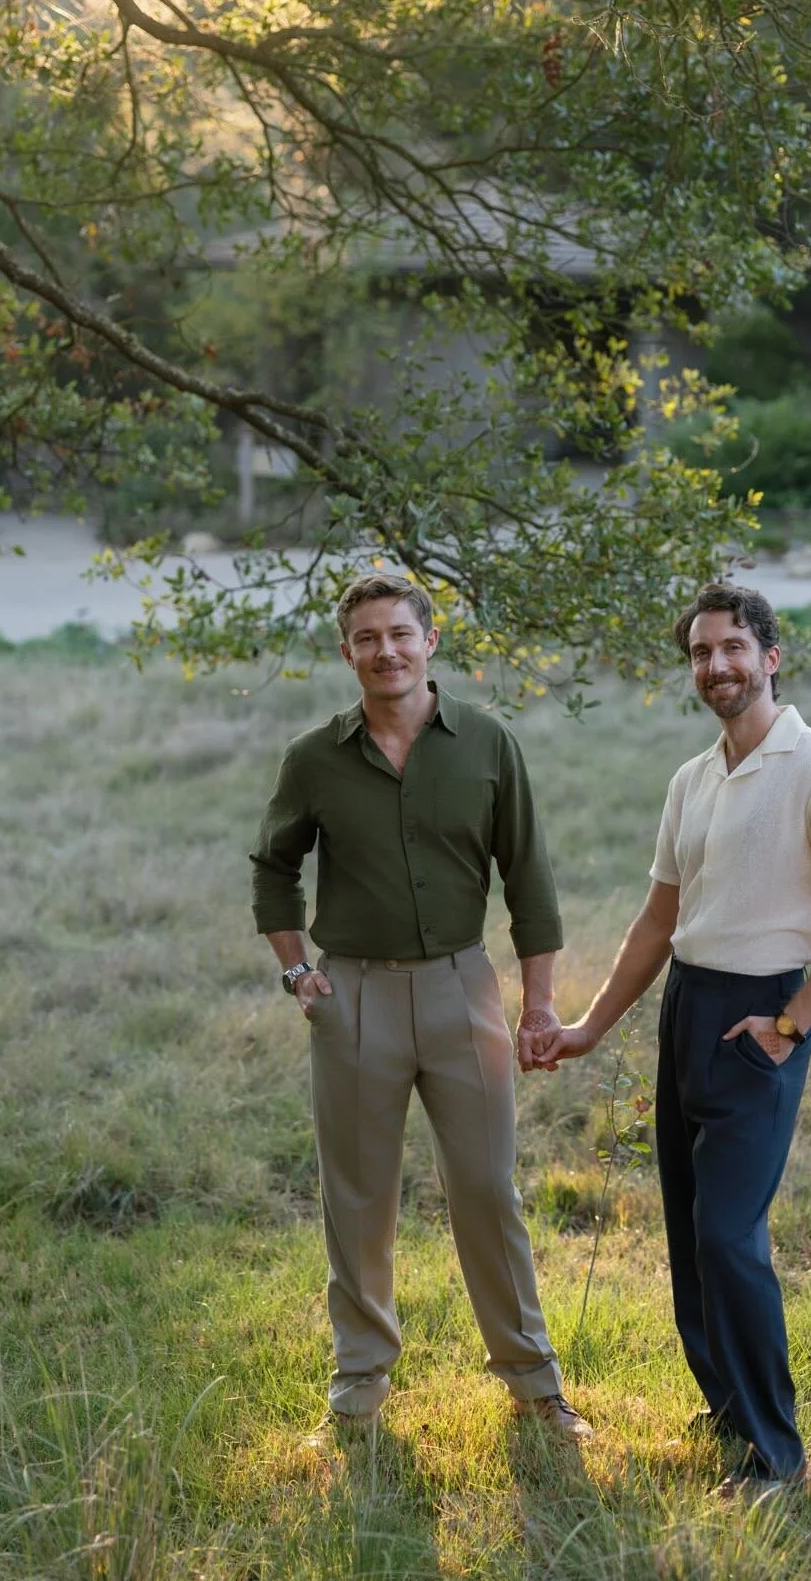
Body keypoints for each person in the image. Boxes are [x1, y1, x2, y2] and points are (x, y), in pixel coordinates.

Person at [538, 582, 811, 1493]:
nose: (716, 666)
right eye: (700, 652)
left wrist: (787, 1026)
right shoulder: (692, 780)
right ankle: (728, 1413)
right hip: (688, 1006)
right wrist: (586, 1027)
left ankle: (776, 1454)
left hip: (760, 1016)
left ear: (771, 657)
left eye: (733, 647)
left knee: (731, 1237)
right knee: (692, 1233)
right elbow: (656, 924)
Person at [250, 571, 590, 1437]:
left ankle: (534, 1383)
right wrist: (298, 973)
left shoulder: (486, 744)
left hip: (462, 988)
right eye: (366, 638)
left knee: (486, 1187)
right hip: (351, 993)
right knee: (358, 1197)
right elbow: (274, 866)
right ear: (347, 653)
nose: (385, 651)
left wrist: (538, 1004)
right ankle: (359, 1388)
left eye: (399, 633)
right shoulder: (313, 759)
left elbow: (531, 877)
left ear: (429, 640)